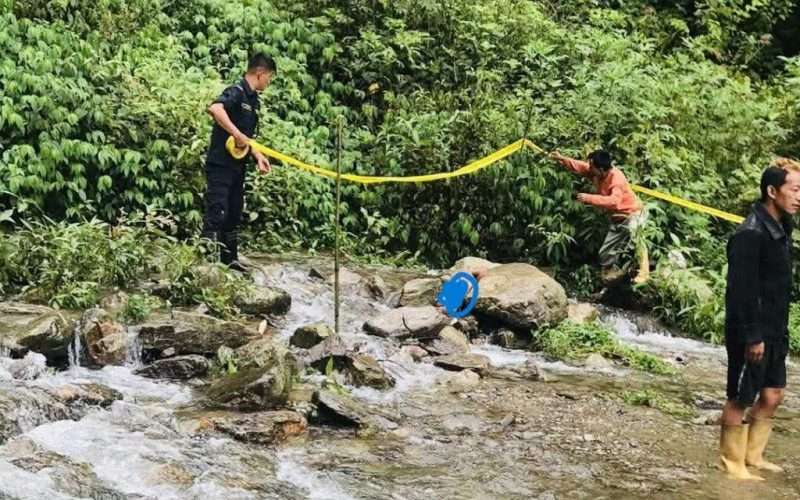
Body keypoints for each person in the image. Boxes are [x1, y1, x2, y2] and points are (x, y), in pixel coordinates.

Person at [719, 159, 800, 480]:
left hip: (775, 327)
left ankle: (753, 456)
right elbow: (740, 291)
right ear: (772, 191)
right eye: (795, 190)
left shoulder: (781, 227)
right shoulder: (750, 233)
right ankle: (731, 463)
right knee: (740, 397)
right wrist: (752, 335)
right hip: (751, 330)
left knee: (773, 395)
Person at [202, 53, 276, 272]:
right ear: (260, 73)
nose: (268, 82)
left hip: (238, 166)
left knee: (234, 211)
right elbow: (215, 109)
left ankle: (229, 259)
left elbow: (248, 138)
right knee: (218, 209)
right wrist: (235, 133)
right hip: (220, 164)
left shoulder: (253, 101)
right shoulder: (236, 91)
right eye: (269, 78)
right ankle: (207, 262)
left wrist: (258, 156)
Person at [550, 150, 649, 284]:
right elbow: (580, 166)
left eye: (592, 167)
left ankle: (644, 274)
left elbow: (614, 201)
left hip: (634, 213)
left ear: (601, 169)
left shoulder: (616, 178)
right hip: (617, 218)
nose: (589, 169)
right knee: (605, 254)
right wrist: (561, 159)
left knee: (637, 240)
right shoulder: (596, 172)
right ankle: (615, 277)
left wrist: (589, 198)